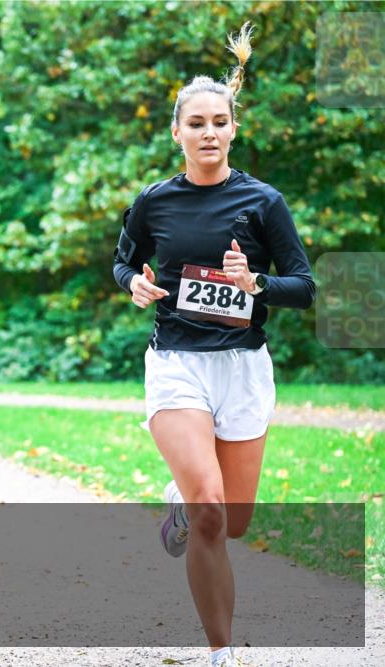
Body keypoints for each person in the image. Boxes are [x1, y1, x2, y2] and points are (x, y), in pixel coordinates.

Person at [112, 22, 315, 667]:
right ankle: (222, 652)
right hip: (176, 365)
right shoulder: (154, 203)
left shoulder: (263, 201)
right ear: (177, 132)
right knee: (209, 515)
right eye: (194, 122)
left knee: (234, 522)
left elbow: (304, 287)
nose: (208, 132)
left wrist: (255, 282)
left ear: (233, 129)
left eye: (218, 122)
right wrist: (136, 286)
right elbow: (123, 264)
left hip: (244, 369)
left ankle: (179, 507)